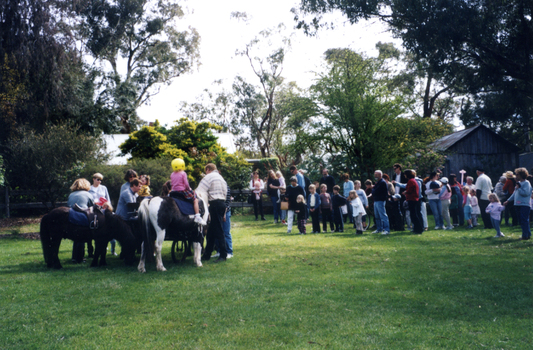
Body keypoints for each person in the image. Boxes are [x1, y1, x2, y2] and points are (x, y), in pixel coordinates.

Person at [199, 163, 229, 262]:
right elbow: (226, 192)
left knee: (219, 231)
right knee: (211, 232)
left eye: (205, 171)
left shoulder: (209, 177)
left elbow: (200, 191)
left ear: (208, 169)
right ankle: (207, 254)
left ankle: (223, 255)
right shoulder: (221, 178)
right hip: (221, 204)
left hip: (214, 204)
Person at [169, 158, 205, 224]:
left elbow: (172, 183)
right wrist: (189, 189)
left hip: (173, 192)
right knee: (195, 200)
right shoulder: (183, 173)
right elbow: (186, 184)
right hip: (182, 191)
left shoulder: (172, 174)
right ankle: (197, 216)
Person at [68, 178, 95, 262]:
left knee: (76, 238)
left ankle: (74, 257)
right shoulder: (88, 194)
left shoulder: (71, 194)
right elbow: (92, 206)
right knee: (82, 237)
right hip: (82, 216)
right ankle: (80, 258)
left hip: (71, 216)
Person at [89, 173, 116, 255]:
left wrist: (107, 205)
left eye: (101, 180)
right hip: (94, 210)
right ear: (93, 179)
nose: (99, 181)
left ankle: (113, 250)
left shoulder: (103, 188)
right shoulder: (89, 188)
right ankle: (92, 251)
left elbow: (108, 200)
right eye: (98, 179)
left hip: (103, 209)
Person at [504, 167, 532, 240]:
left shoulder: (526, 183)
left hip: (524, 204)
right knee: (521, 220)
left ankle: (525, 235)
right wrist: (508, 200)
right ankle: (527, 233)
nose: (515, 176)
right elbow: (514, 194)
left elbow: (526, 193)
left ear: (522, 175)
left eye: (517, 174)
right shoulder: (518, 183)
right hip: (517, 204)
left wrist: (519, 188)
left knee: (524, 220)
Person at [214, 181, 234, 259]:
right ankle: (219, 251)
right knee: (218, 232)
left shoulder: (226, 187)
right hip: (217, 212)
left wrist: (224, 214)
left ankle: (229, 252)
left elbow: (227, 203)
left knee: (226, 232)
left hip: (226, 211)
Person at [404, 169, 423, 234]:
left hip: (412, 199)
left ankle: (419, 229)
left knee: (413, 215)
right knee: (414, 214)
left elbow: (410, 189)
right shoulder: (413, 180)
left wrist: (405, 192)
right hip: (414, 199)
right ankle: (416, 228)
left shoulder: (410, 181)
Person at [372, 170, 390, 235]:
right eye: (375, 174)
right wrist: (373, 190)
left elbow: (375, 191)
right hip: (376, 200)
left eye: (376, 174)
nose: (375, 175)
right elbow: (374, 190)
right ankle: (379, 229)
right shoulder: (378, 182)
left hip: (380, 201)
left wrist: (373, 189)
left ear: (380, 175)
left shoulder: (382, 182)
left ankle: (386, 230)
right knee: (377, 216)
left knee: (383, 215)